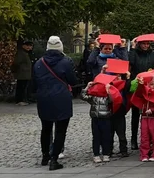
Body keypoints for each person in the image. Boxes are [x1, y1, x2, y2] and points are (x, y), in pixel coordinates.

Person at [33, 36, 78, 170]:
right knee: (60, 130)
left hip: (44, 98)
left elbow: (33, 84)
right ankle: (54, 159)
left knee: (45, 129)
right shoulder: (66, 62)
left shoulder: (38, 63)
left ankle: (45, 155)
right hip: (61, 98)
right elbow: (73, 81)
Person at [81, 73, 123, 163]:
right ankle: (96, 154)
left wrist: (108, 91)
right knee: (96, 136)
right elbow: (83, 97)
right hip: (95, 118)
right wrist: (87, 87)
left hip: (106, 118)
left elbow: (112, 100)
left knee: (106, 136)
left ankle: (106, 154)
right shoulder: (93, 96)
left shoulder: (106, 96)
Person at [131, 72, 154, 162]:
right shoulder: (146, 92)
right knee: (144, 136)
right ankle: (144, 154)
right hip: (144, 117)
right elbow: (139, 92)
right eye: (151, 84)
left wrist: (153, 110)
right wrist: (141, 84)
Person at [12, 40, 34, 105]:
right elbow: (16, 63)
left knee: (24, 87)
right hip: (22, 73)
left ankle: (23, 99)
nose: (29, 47)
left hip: (26, 74)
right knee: (21, 87)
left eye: (30, 46)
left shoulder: (28, 53)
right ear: (23, 46)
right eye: (27, 45)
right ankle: (19, 100)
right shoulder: (21, 53)